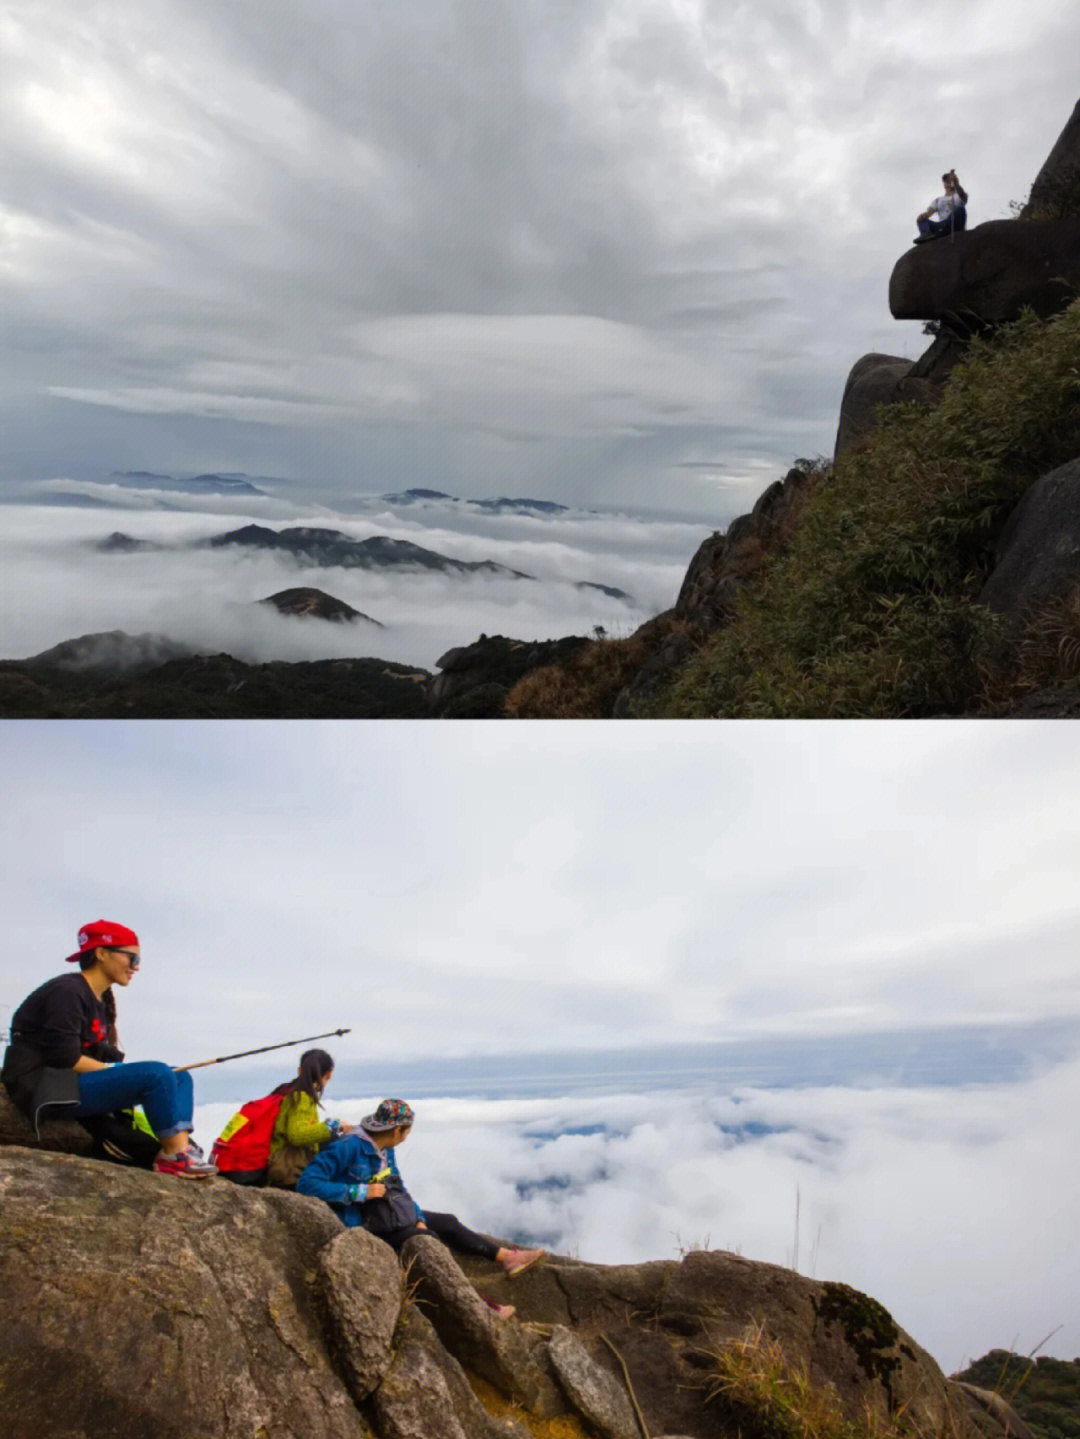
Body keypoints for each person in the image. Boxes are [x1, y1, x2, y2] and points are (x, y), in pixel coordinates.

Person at [1, 920, 217, 1179]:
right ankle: (174, 1156)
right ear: (101, 953)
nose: (136, 967)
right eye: (132, 957)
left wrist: (119, 1072)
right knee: (157, 1074)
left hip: (76, 1081)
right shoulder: (67, 992)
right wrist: (118, 1071)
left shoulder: (101, 999)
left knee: (179, 1075)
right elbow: (64, 1057)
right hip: (50, 1087)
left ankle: (179, 1149)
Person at [297, 1098, 544, 1302]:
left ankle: (507, 1258)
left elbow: (398, 1188)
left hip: (387, 1213)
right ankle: (480, 1304)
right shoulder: (349, 1147)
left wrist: (418, 1217)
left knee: (447, 1222)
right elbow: (307, 1183)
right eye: (406, 1132)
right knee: (428, 1243)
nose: (406, 1137)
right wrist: (358, 1192)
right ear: (397, 1130)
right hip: (363, 1223)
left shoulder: (385, 1150)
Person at [215, 1048, 355, 1187]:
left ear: (299, 1070)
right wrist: (336, 1125)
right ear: (328, 1075)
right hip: (284, 1164)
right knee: (342, 1145)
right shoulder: (302, 1097)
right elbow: (297, 1135)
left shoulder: (285, 1090)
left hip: (267, 1158)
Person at [915, 170, 968, 242]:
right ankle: (926, 234)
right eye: (946, 181)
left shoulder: (958, 196)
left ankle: (945, 231)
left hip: (953, 221)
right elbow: (929, 212)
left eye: (950, 180)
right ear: (944, 184)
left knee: (960, 210)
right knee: (921, 219)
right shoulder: (938, 200)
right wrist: (924, 216)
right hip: (942, 225)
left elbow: (963, 197)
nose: (948, 182)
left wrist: (956, 184)